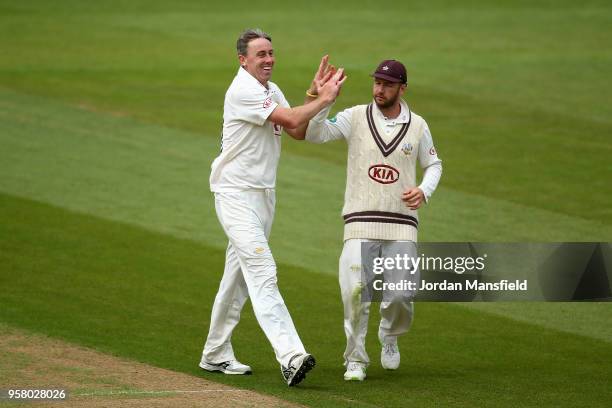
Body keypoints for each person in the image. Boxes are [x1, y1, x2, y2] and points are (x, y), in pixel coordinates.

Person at [200, 28, 346, 387]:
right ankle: (291, 356)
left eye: (271, 53)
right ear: (243, 60)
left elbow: (296, 130)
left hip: (263, 197)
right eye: (260, 54)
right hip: (235, 195)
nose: (268, 59)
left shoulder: (270, 90)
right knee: (263, 271)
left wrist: (317, 96)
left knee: (236, 280)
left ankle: (215, 353)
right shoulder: (242, 90)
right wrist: (322, 97)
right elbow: (295, 120)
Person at [303, 59, 442, 381]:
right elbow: (314, 134)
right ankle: (355, 359)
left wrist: (424, 190)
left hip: (402, 222)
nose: (380, 89)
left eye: (388, 84)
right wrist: (322, 99)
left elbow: (434, 164)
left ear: (402, 88)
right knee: (355, 291)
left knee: (401, 294)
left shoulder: (418, 125)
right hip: (360, 220)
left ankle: (389, 335)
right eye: (377, 83)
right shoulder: (354, 117)